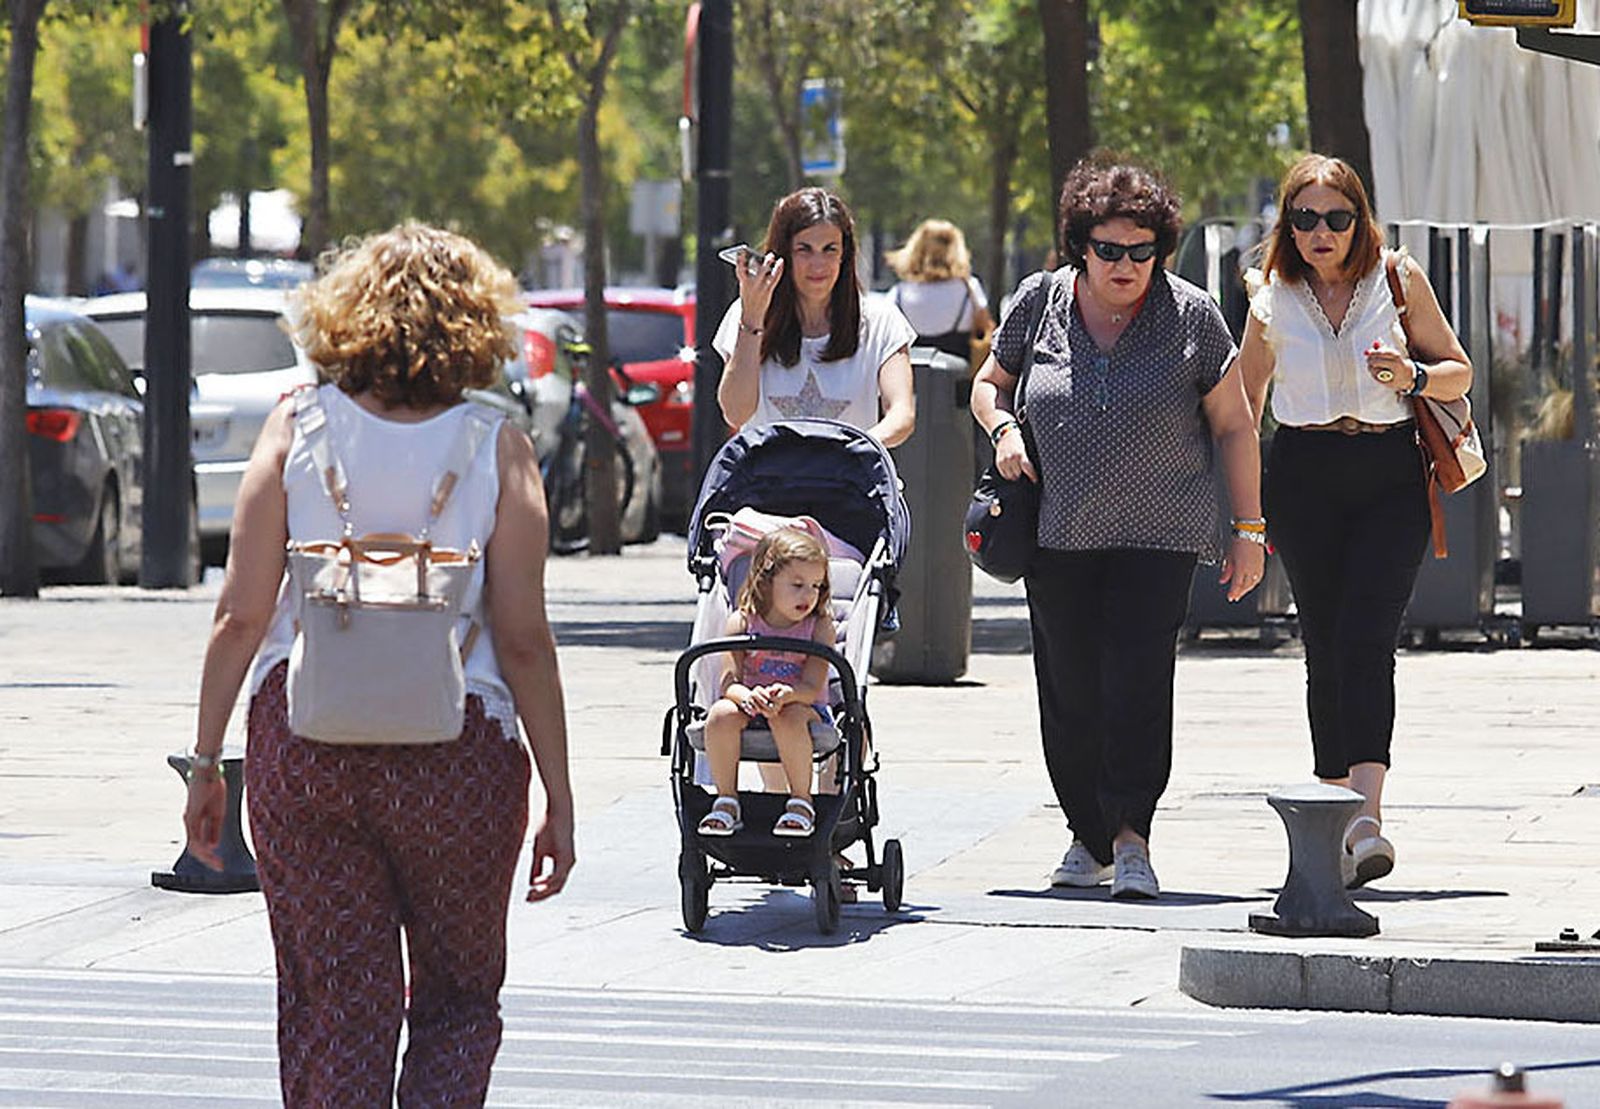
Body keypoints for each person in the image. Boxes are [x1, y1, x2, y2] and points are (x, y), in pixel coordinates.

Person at [182, 222, 575, 1107]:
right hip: (461, 749)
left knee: (337, 1001)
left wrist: (209, 765)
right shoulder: (496, 443)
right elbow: (523, 639)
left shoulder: (296, 426)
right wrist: (559, 791)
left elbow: (241, 614)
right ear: (474, 321)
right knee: (458, 999)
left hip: (306, 740)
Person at [969, 158, 1265, 901]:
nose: (1126, 265)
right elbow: (988, 382)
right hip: (1059, 530)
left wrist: (1250, 529)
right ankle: (1086, 833)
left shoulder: (1191, 313)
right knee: (1069, 688)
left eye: (1141, 251)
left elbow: (1234, 425)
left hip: (1160, 533)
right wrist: (1003, 427)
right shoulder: (1038, 302)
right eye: (1109, 249)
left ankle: (1132, 835)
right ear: (1081, 246)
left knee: (1136, 681)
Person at [1237, 154, 1472, 889]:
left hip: (1388, 474)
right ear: (1288, 225)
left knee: (1367, 638)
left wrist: (1414, 378)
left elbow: (1459, 369)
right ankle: (1331, 817)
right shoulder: (1271, 296)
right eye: (1304, 218)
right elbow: (1244, 407)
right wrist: (1241, 515)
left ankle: (1365, 818)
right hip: (1304, 474)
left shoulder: (1396, 279)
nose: (1320, 232)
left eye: (1336, 218)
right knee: (1323, 643)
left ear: (1359, 220)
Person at [713, 186, 916, 449]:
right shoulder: (746, 314)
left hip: (849, 480)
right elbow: (735, 413)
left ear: (844, 254)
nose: (818, 264)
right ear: (783, 254)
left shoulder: (881, 320)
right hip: (768, 483)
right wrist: (752, 320)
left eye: (829, 249)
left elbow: (902, 414)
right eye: (804, 250)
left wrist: (853, 449)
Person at [696, 527, 836, 840]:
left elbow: (812, 686)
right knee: (720, 714)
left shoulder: (818, 627)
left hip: (803, 706)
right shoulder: (743, 622)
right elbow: (729, 680)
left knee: (788, 716)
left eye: (816, 586)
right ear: (767, 579)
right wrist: (746, 696)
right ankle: (727, 799)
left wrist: (787, 695)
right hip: (753, 704)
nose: (808, 595)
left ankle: (801, 800)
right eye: (797, 585)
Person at [884, 218, 995, 364]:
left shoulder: (899, 293)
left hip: (908, 380)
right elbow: (986, 327)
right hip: (960, 380)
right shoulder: (969, 289)